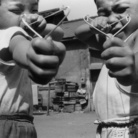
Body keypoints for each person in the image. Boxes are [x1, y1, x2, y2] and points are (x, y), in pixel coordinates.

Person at [0, 0, 66, 138]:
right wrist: (31, 57)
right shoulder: (10, 33)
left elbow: (59, 32)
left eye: (34, 11)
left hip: (21, 122)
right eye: (17, 11)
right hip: (7, 124)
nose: (27, 16)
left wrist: (39, 25)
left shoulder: (24, 35)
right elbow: (19, 46)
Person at [75, 0, 138, 137]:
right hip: (106, 128)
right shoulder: (110, 41)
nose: (110, 19)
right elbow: (79, 33)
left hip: (129, 129)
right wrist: (93, 26)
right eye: (104, 13)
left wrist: (133, 70)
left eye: (120, 9)